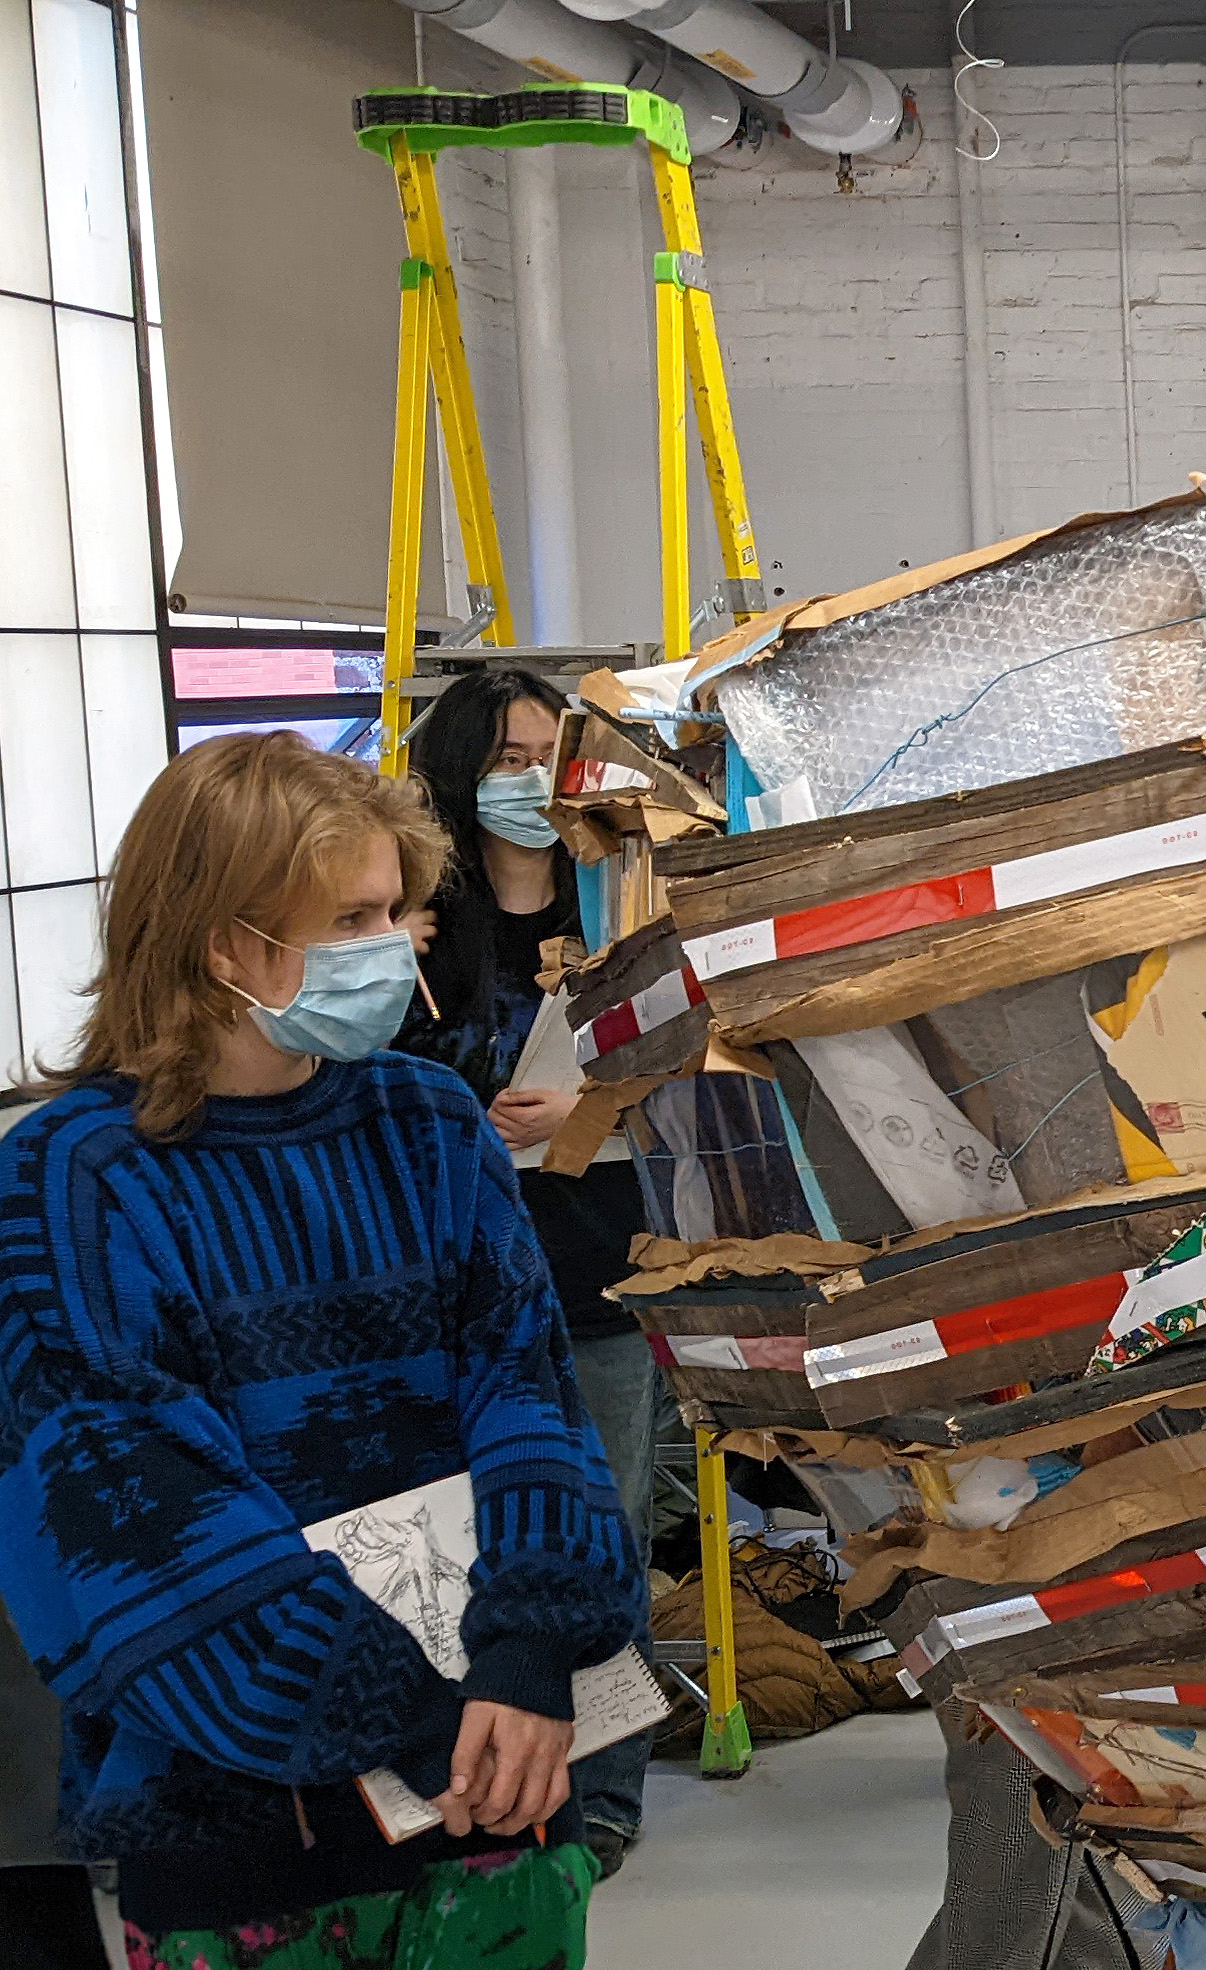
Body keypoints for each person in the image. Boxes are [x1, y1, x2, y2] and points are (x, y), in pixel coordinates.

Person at [0, 732, 642, 1967]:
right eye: (352, 915)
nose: (398, 942)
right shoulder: (73, 1175)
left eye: (398, 906)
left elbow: (528, 1395)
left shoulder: (428, 1120)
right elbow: (129, 1501)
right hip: (249, 1814)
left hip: (503, 1775)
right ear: (221, 939)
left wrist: (528, 1651)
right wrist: (406, 1710)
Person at [396, 662, 659, 1870]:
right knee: (455, 1539)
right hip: (441, 1283)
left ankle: (599, 1794)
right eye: (503, 758)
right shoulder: (409, 919)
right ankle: (472, 1775)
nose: (528, 782)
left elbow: (708, 1078)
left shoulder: (624, 903)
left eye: (547, 755)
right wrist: (467, 1107)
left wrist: (585, 1121)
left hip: (600, 1265)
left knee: (598, 1528)